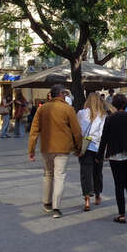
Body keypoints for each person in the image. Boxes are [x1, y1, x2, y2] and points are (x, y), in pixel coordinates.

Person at [27, 84, 82, 219]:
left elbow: (34, 131)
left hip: (46, 147)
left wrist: (31, 149)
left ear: (51, 95)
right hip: (63, 148)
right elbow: (77, 131)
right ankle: (56, 207)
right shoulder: (68, 109)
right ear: (62, 94)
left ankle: (47, 203)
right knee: (59, 175)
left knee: (48, 174)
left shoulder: (42, 109)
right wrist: (78, 147)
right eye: (65, 94)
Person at [97, 94, 127, 223]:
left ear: (114, 105)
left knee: (119, 185)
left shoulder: (110, 119)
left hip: (115, 155)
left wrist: (99, 155)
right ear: (126, 104)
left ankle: (122, 214)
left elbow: (104, 138)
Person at [76, 92, 107, 211]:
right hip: (97, 146)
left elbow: (77, 129)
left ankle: (87, 198)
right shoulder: (102, 115)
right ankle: (98, 195)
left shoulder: (81, 113)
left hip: (85, 146)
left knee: (85, 173)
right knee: (97, 172)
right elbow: (102, 133)